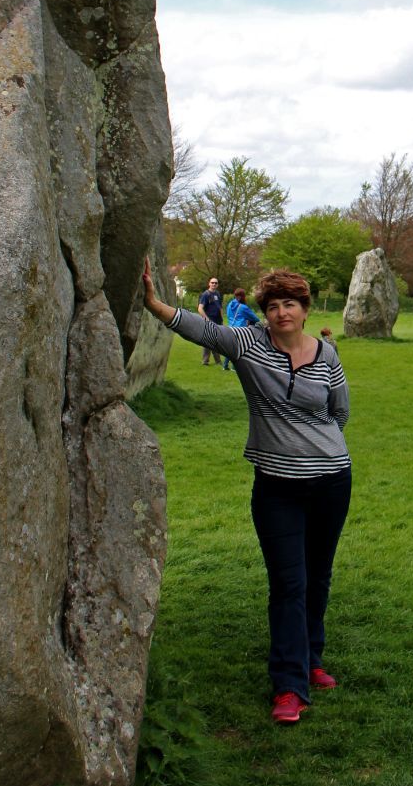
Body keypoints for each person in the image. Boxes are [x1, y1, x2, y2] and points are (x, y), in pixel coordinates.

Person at [142, 261, 351, 725]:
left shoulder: (327, 353)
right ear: (264, 312)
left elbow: (339, 412)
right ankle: (289, 686)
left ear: (304, 308)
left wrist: (315, 449)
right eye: (273, 306)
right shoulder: (248, 343)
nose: (281, 313)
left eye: (290, 304)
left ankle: (311, 659)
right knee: (288, 583)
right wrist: (155, 304)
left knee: (318, 576)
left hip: (331, 480)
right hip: (276, 486)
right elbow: (200, 329)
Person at [223, 289, 259, 370]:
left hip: (230, 328)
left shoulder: (230, 304)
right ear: (241, 296)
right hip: (240, 330)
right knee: (239, 349)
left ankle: (225, 366)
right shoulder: (243, 307)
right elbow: (255, 318)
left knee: (230, 348)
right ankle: (234, 367)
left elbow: (229, 316)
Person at [197, 276, 223, 366]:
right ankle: (205, 361)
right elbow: (200, 308)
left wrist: (221, 318)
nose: (214, 284)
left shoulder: (218, 294)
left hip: (217, 321)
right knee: (207, 341)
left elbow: (220, 307)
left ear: (217, 285)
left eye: (216, 283)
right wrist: (207, 319)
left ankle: (218, 361)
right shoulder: (206, 294)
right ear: (209, 283)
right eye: (212, 282)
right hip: (209, 321)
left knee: (216, 341)